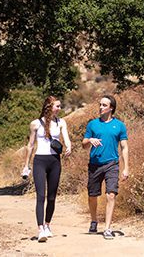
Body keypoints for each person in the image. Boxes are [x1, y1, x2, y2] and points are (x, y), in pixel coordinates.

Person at [22, 95, 72, 242]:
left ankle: (47, 224)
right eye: (57, 106)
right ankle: (40, 230)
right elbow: (30, 145)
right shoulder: (35, 124)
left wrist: (69, 146)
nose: (59, 108)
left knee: (51, 197)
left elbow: (66, 138)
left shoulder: (61, 122)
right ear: (49, 107)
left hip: (55, 161)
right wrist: (26, 165)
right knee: (41, 196)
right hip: (40, 161)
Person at [83, 95, 129, 240]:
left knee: (111, 194)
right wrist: (90, 140)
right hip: (95, 165)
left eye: (104, 105)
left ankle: (108, 228)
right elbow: (83, 144)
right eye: (100, 104)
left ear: (111, 108)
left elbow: (124, 147)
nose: (100, 107)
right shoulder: (92, 124)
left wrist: (126, 167)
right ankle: (94, 220)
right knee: (92, 196)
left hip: (112, 164)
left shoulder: (120, 126)